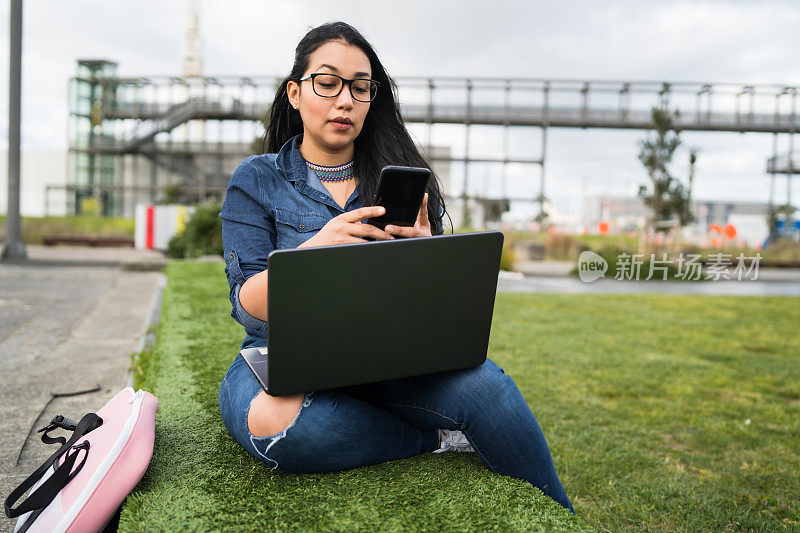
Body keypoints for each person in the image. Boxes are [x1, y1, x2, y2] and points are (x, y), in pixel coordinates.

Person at [217, 21, 575, 514]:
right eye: (328, 82)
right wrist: (314, 251)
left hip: (389, 363)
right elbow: (247, 306)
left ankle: (561, 517)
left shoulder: (401, 181)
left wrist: (425, 252)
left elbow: (440, 311)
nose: (345, 100)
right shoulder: (256, 179)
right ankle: (428, 441)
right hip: (285, 362)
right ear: (295, 93)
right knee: (279, 427)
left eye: (360, 88)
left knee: (487, 387)